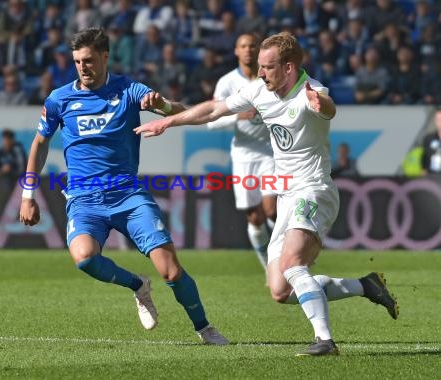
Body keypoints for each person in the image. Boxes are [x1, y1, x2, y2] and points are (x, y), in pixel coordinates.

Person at [135, 31, 398, 356]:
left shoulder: (310, 91)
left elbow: (328, 109)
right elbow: (214, 110)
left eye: (267, 67)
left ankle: (325, 341)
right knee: (280, 290)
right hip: (288, 195)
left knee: (292, 262)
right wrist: (169, 121)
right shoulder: (260, 90)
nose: (260, 73)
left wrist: (323, 104)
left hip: (314, 190)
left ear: (288, 67)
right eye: (259, 66)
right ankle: (366, 285)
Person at [19, 27, 228, 345]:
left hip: (128, 196)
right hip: (84, 199)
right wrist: (28, 194)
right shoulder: (60, 99)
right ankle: (137, 285)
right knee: (85, 258)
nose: (82, 67)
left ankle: (204, 327)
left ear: (105, 57)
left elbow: (180, 113)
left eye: (88, 60)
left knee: (171, 271)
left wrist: (164, 107)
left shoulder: (130, 90)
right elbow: (39, 143)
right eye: (77, 61)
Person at [207, 33, 276, 272]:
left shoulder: (271, 76)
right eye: (243, 46)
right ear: (236, 51)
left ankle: (288, 262)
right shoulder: (227, 82)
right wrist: (237, 115)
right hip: (244, 154)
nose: (248, 50)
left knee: (272, 210)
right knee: (255, 218)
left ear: (259, 50)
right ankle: (269, 269)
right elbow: (211, 121)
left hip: (271, 151)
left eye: (252, 46)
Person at [421, 107, 441, 176]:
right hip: (433, 178)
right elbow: (425, 160)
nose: (439, 122)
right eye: (437, 119)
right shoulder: (428, 138)